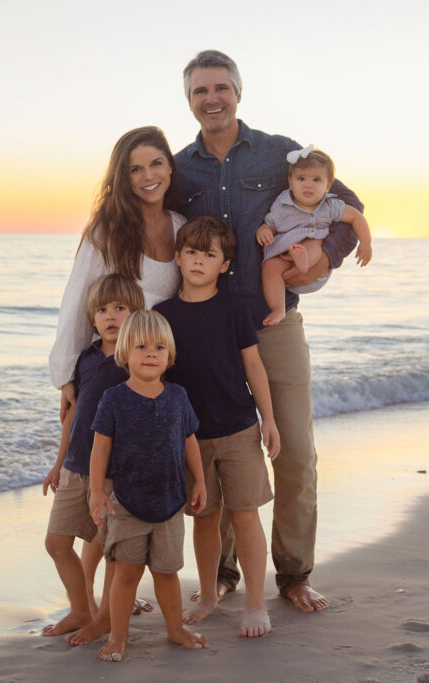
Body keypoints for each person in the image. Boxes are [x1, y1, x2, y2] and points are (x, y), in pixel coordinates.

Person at [173, 49, 372, 613]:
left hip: (271, 321)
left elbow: (348, 205)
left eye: (221, 88)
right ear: (188, 100)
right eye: (199, 91)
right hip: (205, 330)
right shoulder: (178, 167)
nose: (211, 98)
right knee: (217, 448)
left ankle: (293, 575)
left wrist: (323, 251)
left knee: (295, 453)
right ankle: (224, 575)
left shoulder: (279, 153)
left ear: (238, 92)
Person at [153, 217, 280, 638]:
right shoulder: (162, 315)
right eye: (191, 251)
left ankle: (257, 604)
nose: (198, 261)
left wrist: (269, 420)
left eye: (209, 255)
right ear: (177, 256)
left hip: (239, 428)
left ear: (224, 265)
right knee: (204, 518)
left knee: (245, 515)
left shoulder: (234, 308)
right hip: (188, 437)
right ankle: (208, 595)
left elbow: (253, 365)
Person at [88, 310, 209, 662]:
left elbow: (189, 440)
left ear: (169, 355)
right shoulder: (114, 398)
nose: (151, 353)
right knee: (125, 575)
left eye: (159, 347)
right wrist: (97, 492)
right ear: (125, 352)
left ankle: (175, 628)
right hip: (127, 503)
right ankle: (118, 636)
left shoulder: (178, 396)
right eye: (141, 346)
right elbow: (100, 448)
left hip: (171, 504)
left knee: (167, 574)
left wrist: (199, 480)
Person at [50, 126, 186, 421]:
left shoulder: (181, 226)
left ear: (170, 167)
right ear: (123, 179)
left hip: (166, 369)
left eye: (156, 164)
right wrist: (65, 374)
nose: (148, 176)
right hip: (115, 371)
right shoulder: (107, 230)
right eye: (135, 169)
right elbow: (78, 298)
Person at [41, 274, 144, 641]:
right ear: (92, 318)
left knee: (114, 549)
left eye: (120, 308)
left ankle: (109, 621)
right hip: (74, 467)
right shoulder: (85, 359)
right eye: (102, 310)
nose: (110, 316)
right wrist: (57, 464)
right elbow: (73, 414)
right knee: (56, 543)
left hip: (116, 475)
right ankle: (81, 609)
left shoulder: (136, 359)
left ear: (136, 312)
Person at [256, 146, 372, 326]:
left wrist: (365, 243)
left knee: (314, 245)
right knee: (270, 267)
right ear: (291, 182)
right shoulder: (283, 204)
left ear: (327, 185)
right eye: (301, 179)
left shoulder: (331, 206)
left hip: (313, 258)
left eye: (316, 180)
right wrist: (264, 231)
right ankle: (278, 309)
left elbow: (356, 217)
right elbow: (270, 223)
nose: (308, 184)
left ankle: (302, 260)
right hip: (284, 253)